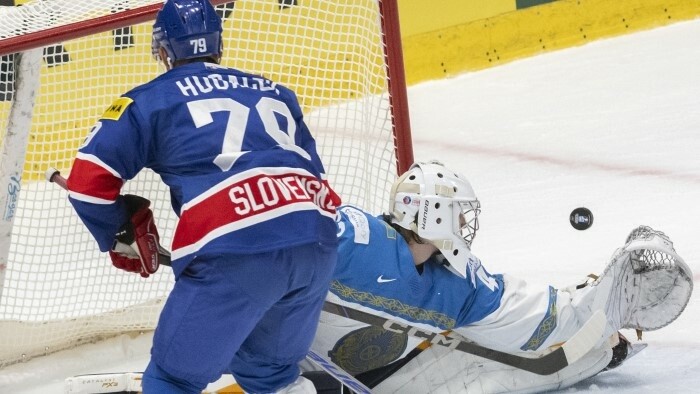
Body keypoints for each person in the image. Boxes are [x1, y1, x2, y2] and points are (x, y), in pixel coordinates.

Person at [65, 0, 339, 393]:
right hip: (317, 242)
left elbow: (87, 187)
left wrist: (117, 232)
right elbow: (311, 174)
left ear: (162, 50)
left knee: (173, 379)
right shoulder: (278, 92)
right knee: (270, 373)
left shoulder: (149, 100)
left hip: (237, 250)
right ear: (218, 44)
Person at [303, 160, 693, 393]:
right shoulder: (352, 236)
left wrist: (596, 308)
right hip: (277, 369)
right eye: (457, 214)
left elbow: (525, 314)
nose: (463, 223)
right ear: (432, 216)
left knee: (497, 374)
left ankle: (600, 344)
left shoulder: (456, 282)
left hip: (380, 376)